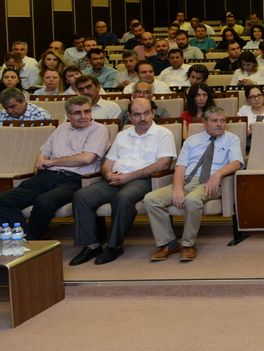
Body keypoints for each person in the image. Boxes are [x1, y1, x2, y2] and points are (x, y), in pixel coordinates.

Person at [68, 98, 177, 266]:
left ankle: (114, 246)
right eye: (137, 115)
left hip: (143, 180)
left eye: (146, 113)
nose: (142, 118)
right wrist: (108, 174)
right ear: (130, 116)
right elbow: (108, 163)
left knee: (123, 198)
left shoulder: (163, 134)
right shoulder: (122, 135)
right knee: (81, 196)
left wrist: (129, 176)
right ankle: (92, 246)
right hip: (116, 178)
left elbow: (163, 164)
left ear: (153, 113)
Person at [0, 95, 110, 239]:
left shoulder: (98, 129)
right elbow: (43, 153)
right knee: (2, 201)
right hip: (45, 177)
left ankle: (29, 242)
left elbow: (86, 158)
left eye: (87, 111)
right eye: (77, 113)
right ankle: (26, 239)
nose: (83, 116)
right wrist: (40, 165)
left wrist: (53, 162)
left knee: (44, 202)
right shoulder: (61, 128)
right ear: (68, 115)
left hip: (74, 180)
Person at [143, 108, 243, 262]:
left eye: (222, 120)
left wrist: (217, 175)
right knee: (150, 199)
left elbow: (236, 162)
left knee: (192, 200)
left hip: (210, 183)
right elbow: (180, 166)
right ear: (204, 122)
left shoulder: (232, 139)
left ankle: (188, 244)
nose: (219, 124)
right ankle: (169, 244)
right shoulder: (191, 140)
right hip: (187, 181)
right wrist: (178, 189)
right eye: (214, 121)